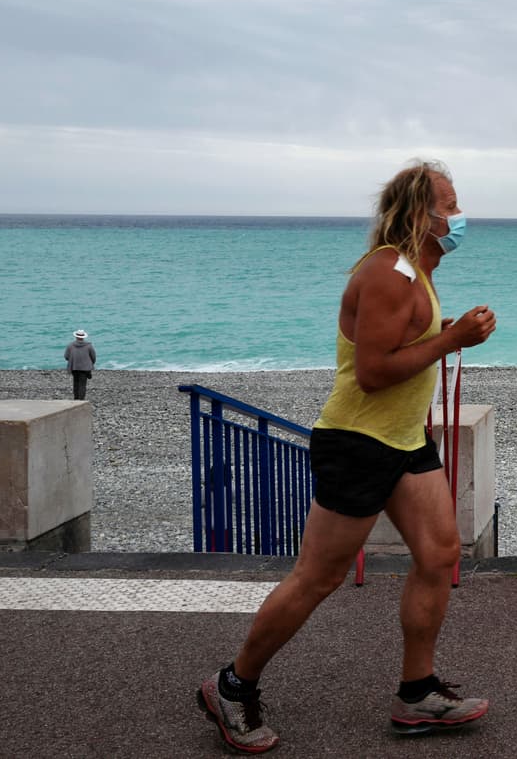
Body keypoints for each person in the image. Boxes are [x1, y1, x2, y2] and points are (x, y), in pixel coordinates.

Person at [196, 161, 497, 753]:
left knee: (439, 556)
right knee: (319, 576)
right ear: (420, 213)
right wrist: (452, 340)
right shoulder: (388, 274)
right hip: (357, 442)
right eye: (450, 206)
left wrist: (450, 335)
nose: (459, 217)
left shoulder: (417, 271)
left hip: (405, 441)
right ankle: (232, 686)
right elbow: (373, 371)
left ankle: (417, 694)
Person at [63, 330, 96, 400]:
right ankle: (81, 399)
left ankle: (76, 398)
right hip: (85, 368)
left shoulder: (70, 345)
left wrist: (73, 359)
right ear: (83, 337)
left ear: (76, 336)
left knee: (76, 383)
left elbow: (66, 356)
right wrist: (91, 364)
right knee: (82, 384)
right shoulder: (89, 346)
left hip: (74, 367)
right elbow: (93, 356)